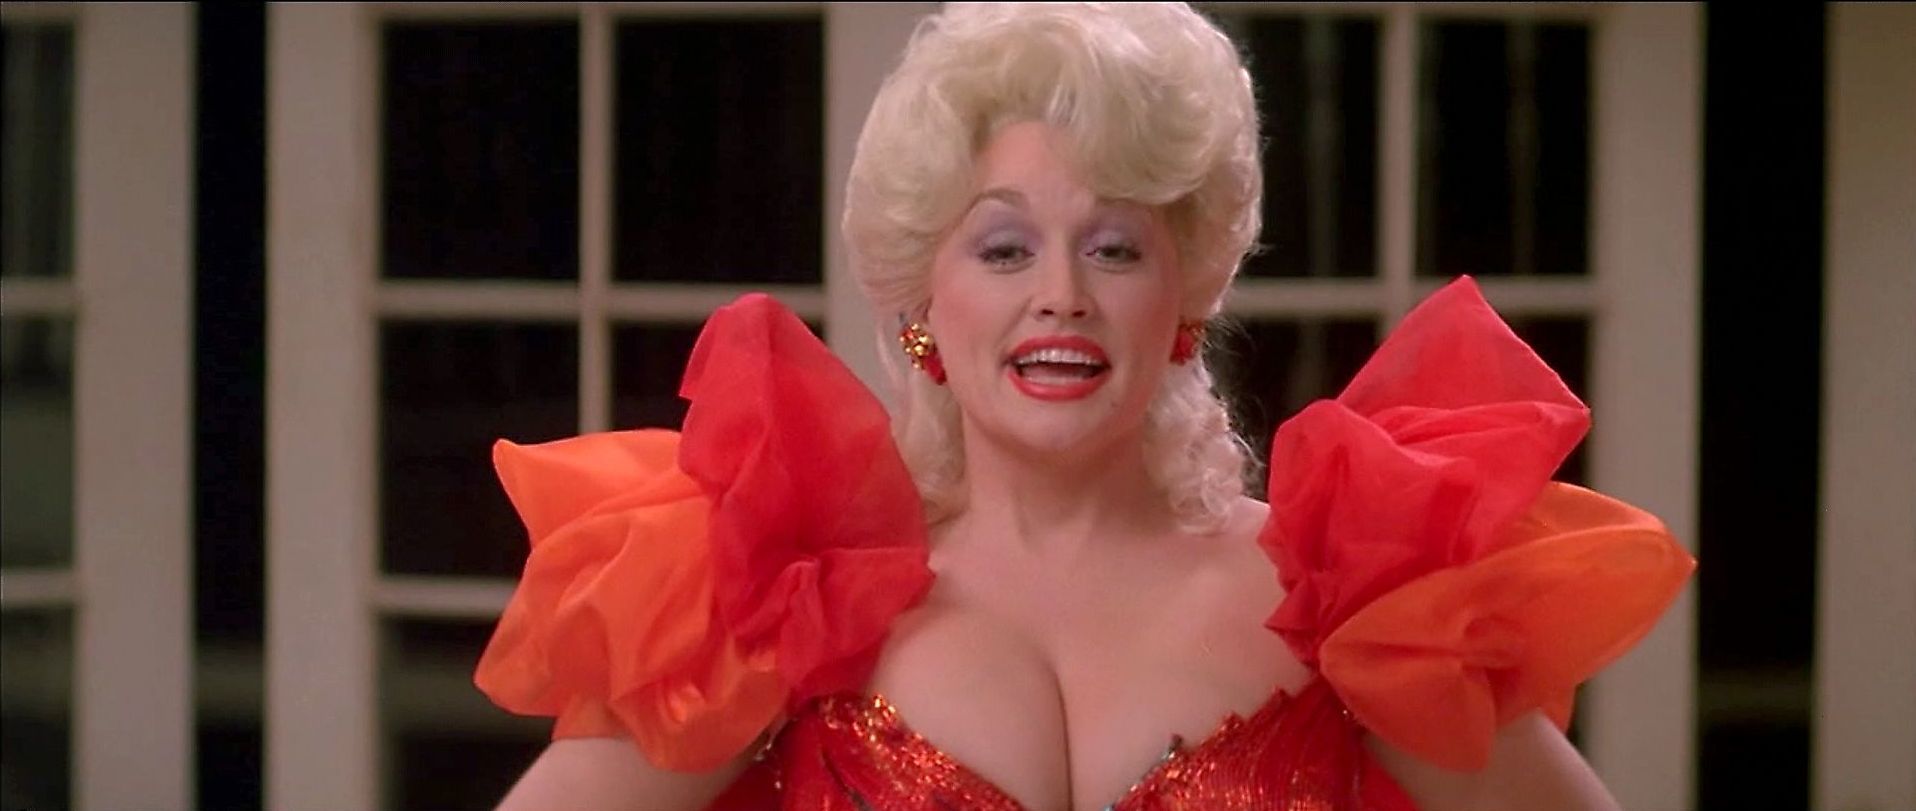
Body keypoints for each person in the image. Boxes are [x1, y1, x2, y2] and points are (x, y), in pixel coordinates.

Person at [474, 4, 1695, 810]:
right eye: (1004, 248)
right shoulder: (781, 598)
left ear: (1182, 295)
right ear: (923, 302)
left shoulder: (1341, 600)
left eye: (1112, 247)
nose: (1059, 294)